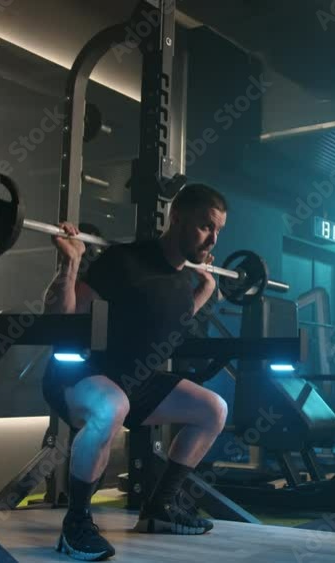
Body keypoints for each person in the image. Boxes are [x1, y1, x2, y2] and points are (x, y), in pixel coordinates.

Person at [42, 184, 229, 561]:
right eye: (206, 226)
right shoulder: (124, 260)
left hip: (133, 383)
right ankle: (76, 524)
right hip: (80, 376)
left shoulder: (181, 279)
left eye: (218, 231)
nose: (213, 239)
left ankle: (160, 508)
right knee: (113, 406)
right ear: (177, 217)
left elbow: (173, 317)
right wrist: (71, 262)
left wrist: (206, 287)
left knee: (213, 409)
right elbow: (62, 316)